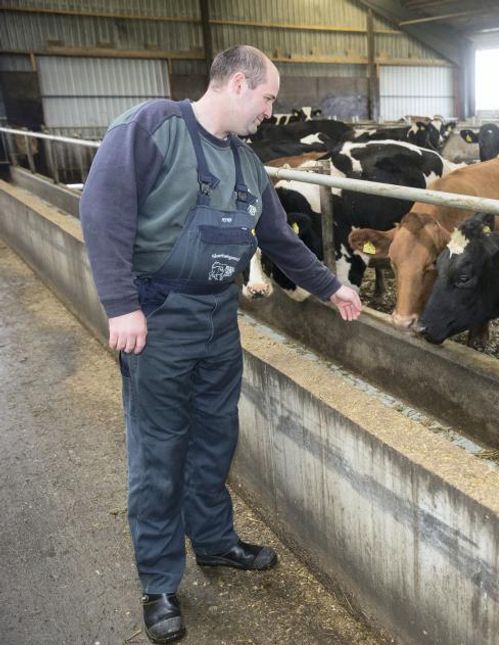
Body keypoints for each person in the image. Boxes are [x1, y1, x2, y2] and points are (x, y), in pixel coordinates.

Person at [79, 45, 362, 644]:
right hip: (156, 317)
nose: (269, 111)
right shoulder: (151, 129)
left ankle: (213, 542)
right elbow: (102, 213)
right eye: (266, 99)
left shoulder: (247, 163)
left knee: (215, 435)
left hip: (218, 319)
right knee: (159, 450)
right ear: (238, 83)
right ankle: (159, 582)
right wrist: (120, 304)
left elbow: (279, 241)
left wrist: (331, 285)